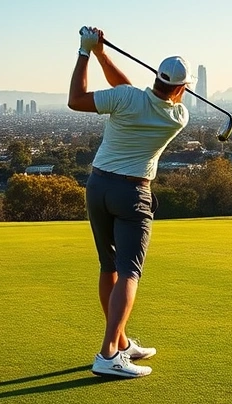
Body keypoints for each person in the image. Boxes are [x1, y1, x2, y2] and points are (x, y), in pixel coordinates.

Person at [68, 27, 190, 378]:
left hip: (98, 187)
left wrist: (87, 52)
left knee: (109, 267)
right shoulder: (178, 117)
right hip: (132, 194)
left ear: (155, 76)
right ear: (181, 89)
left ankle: (120, 342)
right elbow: (135, 92)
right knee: (129, 272)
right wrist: (102, 54)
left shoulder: (124, 99)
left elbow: (78, 99)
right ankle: (108, 354)